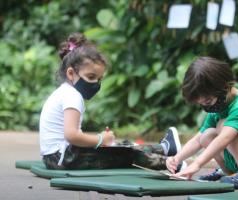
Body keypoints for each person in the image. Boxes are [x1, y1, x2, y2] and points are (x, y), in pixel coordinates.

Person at [39, 32, 181, 170]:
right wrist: (100, 139)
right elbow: (71, 135)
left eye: (99, 79)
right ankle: (170, 163)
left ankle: (164, 148)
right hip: (64, 158)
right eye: (91, 77)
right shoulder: (72, 96)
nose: (95, 83)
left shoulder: (65, 92)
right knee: (124, 153)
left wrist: (102, 140)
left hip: (56, 157)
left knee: (118, 146)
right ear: (71, 73)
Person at [166, 57, 238, 189]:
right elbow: (198, 140)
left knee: (223, 126)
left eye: (207, 102)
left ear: (224, 87)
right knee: (207, 135)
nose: (206, 107)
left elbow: (225, 137)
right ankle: (229, 173)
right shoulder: (218, 106)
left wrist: (196, 164)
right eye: (201, 104)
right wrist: (177, 159)